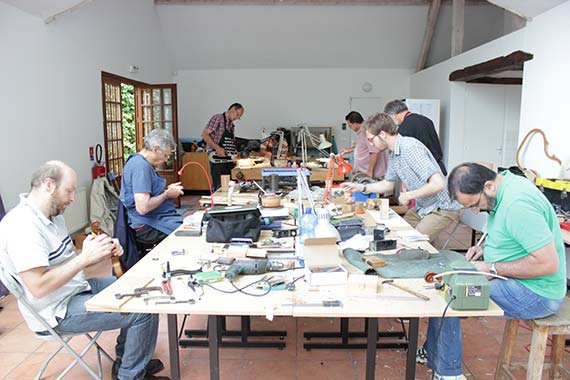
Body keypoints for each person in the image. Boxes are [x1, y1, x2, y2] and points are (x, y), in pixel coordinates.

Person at [0, 161, 168, 380]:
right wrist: (83, 260)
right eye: (69, 191)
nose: (72, 198)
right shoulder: (23, 225)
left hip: (76, 289)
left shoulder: (52, 216)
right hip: (56, 311)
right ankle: (130, 375)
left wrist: (98, 252)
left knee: (143, 288)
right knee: (141, 309)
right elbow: (39, 287)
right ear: (49, 185)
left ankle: (127, 359)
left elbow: (69, 262)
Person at [418, 163, 567, 380]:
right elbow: (512, 237)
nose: (476, 211)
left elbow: (547, 264)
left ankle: (450, 374)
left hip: (538, 293)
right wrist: (484, 249)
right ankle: (434, 356)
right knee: (446, 282)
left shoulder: (518, 204)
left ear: (488, 185)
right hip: (518, 281)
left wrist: (492, 267)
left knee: (453, 294)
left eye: (476, 205)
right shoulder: (503, 185)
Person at [341, 113, 459, 244]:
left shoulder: (410, 148)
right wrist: (361, 187)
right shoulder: (393, 153)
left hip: (441, 208)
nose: (370, 143)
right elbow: (387, 184)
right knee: (396, 235)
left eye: (371, 139)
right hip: (423, 207)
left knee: (412, 243)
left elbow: (438, 184)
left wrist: (409, 195)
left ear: (382, 134)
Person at [120, 129, 183, 243]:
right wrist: (166, 195)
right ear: (155, 149)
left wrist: (167, 191)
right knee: (189, 233)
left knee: (191, 224)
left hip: (157, 219)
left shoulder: (140, 162)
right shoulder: (140, 167)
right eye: (165, 155)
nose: (165, 160)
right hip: (149, 225)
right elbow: (143, 208)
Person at [384, 99, 447, 175]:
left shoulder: (405, 127)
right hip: (438, 167)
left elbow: (402, 154)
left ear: (394, 114)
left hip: (423, 171)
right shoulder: (426, 120)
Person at [202, 103, 244, 190]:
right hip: (216, 157)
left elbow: (231, 143)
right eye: (238, 115)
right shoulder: (218, 118)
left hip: (227, 159)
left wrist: (235, 155)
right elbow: (205, 134)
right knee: (219, 185)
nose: (238, 118)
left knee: (230, 184)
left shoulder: (231, 126)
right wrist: (217, 148)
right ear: (232, 109)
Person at [340, 111, 388, 179]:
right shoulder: (362, 132)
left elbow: (374, 152)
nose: (349, 127)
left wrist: (370, 172)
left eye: (350, 125)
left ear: (355, 123)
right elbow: (365, 147)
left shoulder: (367, 132)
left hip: (372, 176)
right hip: (365, 174)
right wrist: (349, 150)